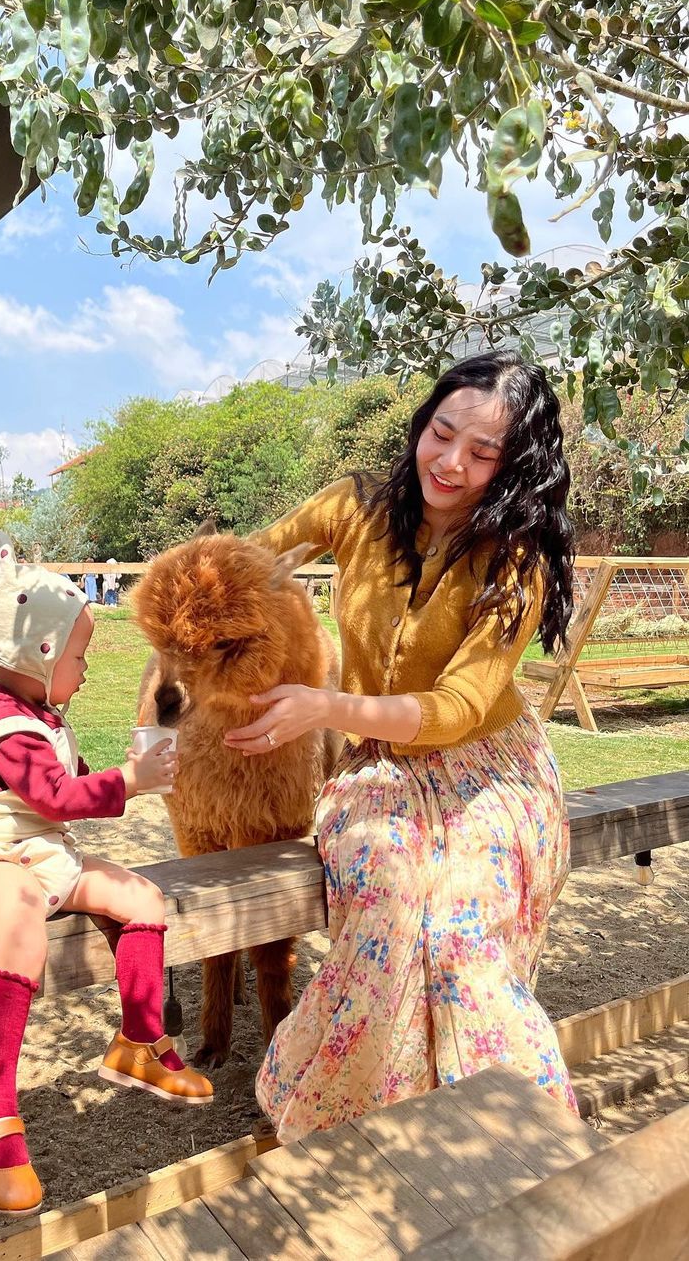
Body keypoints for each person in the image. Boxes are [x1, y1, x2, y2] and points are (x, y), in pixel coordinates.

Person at [224, 350, 577, 1142]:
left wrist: (326, 706)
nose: (450, 463)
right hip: (379, 772)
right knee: (384, 911)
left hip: (490, 774)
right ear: (422, 423)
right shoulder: (354, 507)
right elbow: (246, 564)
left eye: (482, 453)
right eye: (441, 433)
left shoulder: (516, 561)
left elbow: (458, 708)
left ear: (515, 465)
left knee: (459, 934)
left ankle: (514, 1142)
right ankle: (352, 1130)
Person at [0, 527, 213, 1217]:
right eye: (80, 655)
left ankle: (140, 1041)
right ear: (43, 652)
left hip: (44, 852)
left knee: (142, 898)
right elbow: (55, 798)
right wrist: (131, 782)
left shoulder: (42, 715)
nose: (85, 669)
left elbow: (71, 787)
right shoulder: (6, 722)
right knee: (22, 928)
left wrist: (128, 771)